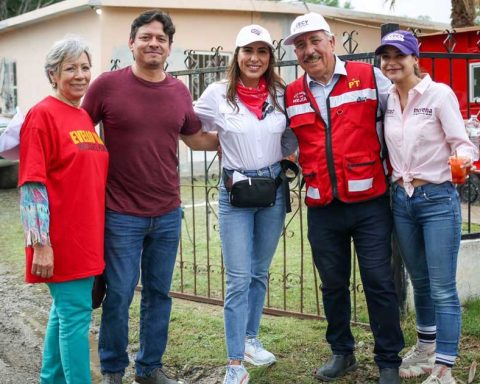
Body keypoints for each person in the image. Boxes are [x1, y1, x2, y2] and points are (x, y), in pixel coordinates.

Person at [81, 9, 219, 384]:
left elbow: (194, 136)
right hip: (120, 213)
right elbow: (77, 129)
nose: (153, 43)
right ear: (132, 43)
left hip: (167, 213)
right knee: (120, 294)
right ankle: (113, 370)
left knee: (159, 294)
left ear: (170, 47)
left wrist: (242, 139)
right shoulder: (106, 86)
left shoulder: (178, 91)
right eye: (146, 37)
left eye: (160, 38)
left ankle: (149, 368)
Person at [283, 12, 405, 384]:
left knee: (379, 281)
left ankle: (388, 361)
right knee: (332, 283)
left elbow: (403, 112)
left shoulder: (369, 77)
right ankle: (342, 352)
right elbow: (285, 141)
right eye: (301, 45)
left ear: (332, 42)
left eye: (315, 41)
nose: (309, 50)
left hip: (370, 202)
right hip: (322, 206)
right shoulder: (292, 93)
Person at [194, 24, 297, 384]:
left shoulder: (281, 94)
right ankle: (235, 363)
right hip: (235, 190)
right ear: (236, 56)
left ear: (270, 58)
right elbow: (190, 130)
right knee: (238, 279)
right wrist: (219, 142)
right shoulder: (216, 94)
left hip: (272, 190)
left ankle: (251, 339)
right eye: (247, 51)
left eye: (262, 51)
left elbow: (294, 133)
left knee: (259, 272)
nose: (255, 58)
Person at [375, 30, 478, 384]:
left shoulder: (438, 95)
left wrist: (462, 160)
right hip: (402, 200)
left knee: (442, 286)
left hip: (436, 199)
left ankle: (444, 369)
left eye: (399, 55)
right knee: (419, 281)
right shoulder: (386, 99)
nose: (392, 62)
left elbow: (464, 144)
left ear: (415, 58)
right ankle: (426, 347)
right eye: (385, 56)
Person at [18, 37, 109, 383]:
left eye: (85, 67)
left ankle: (49, 379)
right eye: (70, 68)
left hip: (87, 235)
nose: (80, 75)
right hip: (61, 239)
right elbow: (32, 183)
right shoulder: (42, 114)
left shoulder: (82, 117)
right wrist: (40, 243)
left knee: (64, 313)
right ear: (53, 75)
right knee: (75, 316)